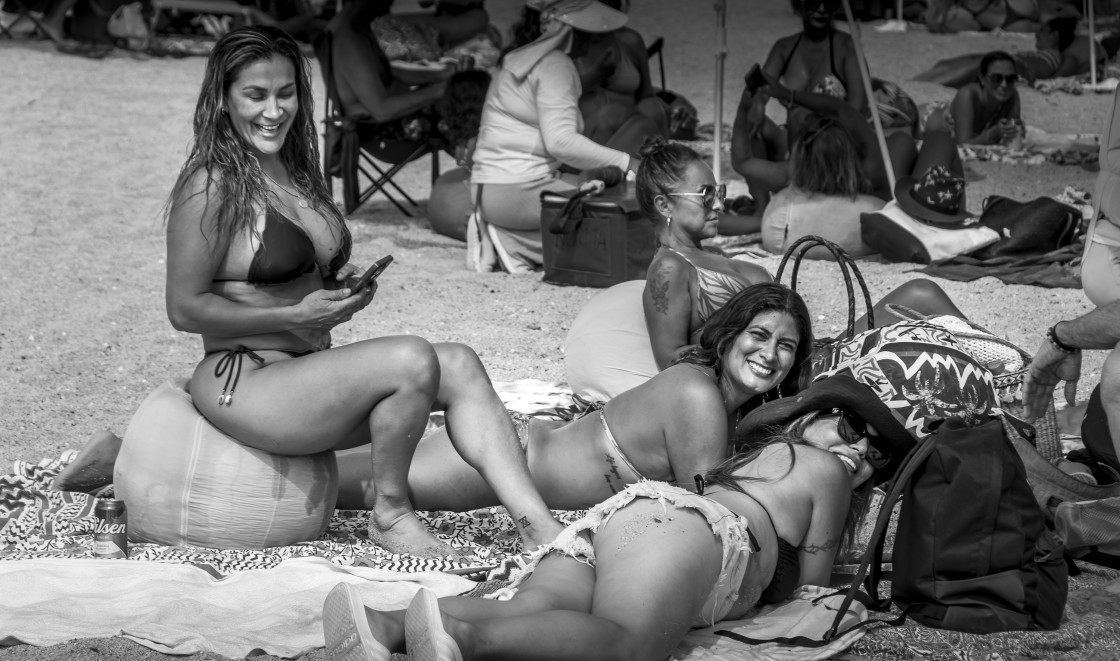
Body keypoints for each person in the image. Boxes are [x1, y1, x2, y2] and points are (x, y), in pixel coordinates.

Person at [142, 25, 562, 558]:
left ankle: (537, 525)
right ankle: (391, 513)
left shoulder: (293, 168)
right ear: (223, 99)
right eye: (255, 95)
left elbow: (293, 277)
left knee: (459, 363)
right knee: (411, 358)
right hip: (245, 380)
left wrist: (337, 290)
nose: (274, 110)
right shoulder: (210, 184)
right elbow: (183, 308)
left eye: (286, 93)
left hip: (305, 375)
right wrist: (296, 314)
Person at [320, 377, 881, 661]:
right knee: (628, 645)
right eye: (852, 430)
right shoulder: (824, 472)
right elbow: (812, 593)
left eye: (876, 457)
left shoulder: (756, 459)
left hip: (626, 519)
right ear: (812, 418)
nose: (858, 452)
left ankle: (384, 625)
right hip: (685, 530)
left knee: (535, 608)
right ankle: (462, 638)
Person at [336, 283, 814, 512]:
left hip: (516, 456)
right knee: (331, 483)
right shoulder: (698, 395)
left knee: (339, 471)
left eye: (786, 346)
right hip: (506, 468)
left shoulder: (723, 401)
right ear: (729, 335)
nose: (769, 354)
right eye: (759, 335)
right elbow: (711, 512)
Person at [565, 138, 772, 401]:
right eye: (706, 195)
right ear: (664, 205)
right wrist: (745, 347)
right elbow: (671, 359)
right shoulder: (670, 267)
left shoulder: (711, 254)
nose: (719, 205)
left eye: (719, 193)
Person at [468, 0, 648, 272]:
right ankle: (512, 242)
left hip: (489, 188)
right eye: (589, 33)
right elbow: (561, 142)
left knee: (597, 196)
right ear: (570, 32)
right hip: (517, 190)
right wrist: (628, 163)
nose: (594, 40)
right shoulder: (556, 66)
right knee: (618, 220)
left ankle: (508, 234)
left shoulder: (521, 57)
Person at [327, 0, 456, 152]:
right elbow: (382, 111)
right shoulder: (349, 40)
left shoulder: (347, 27)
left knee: (464, 90)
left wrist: (439, 75)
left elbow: (388, 73)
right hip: (384, 132)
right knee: (466, 102)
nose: (390, 3)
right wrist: (437, 91)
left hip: (389, 118)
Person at [573, 0, 670, 147]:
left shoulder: (630, 40)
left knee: (652, 108)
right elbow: (553, 96)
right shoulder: (569, 43)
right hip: (587, 134)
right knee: (609, 115)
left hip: (628, 127)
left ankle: (661, 157)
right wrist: (594, 77)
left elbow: (646, 94)